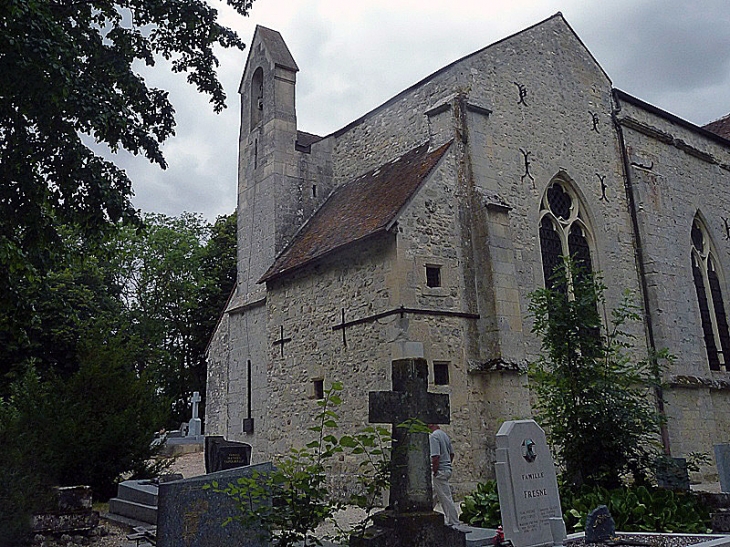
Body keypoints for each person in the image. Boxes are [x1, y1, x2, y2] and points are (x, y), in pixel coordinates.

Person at [428, 423, 460, 527]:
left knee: (445, 497)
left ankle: (454, 521)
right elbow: (452, 454)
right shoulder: (445, 435)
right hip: (446, 469)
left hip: (440, 471)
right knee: (433, 493)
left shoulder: (434, 436)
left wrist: (435, 470)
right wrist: (448, 464)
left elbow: (435, 456)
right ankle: (427, 513)